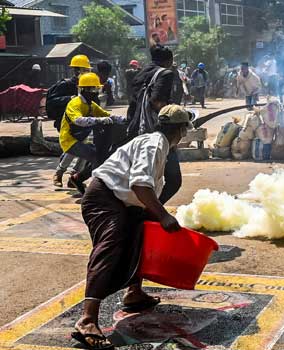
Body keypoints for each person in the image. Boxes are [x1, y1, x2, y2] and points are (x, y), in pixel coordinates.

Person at [72, 105, 190, 350]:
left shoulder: (160, 145)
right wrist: (164, 215)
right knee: (111, 246)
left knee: (141, 236)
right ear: (180, 130)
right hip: (104, 197)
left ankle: (134, 293)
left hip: (122, 200)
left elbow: (143, 189)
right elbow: (140, 185)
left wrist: (153, 215)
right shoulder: (154, 144)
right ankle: (87, 319)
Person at [127, 45, 181, 205]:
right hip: (158, 133)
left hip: (136, 130)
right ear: (169, 60)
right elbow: (157, 102)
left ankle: (143, 210)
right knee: (173, 180)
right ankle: (152, 212)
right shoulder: (165, 74)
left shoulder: (140, 73)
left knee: (142, 177)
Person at [59, 72, 125, 194]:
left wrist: (124, 120)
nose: (95, 92)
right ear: (84, 90)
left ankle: (77, 178)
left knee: (100, 156)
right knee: (95, 157)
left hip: (81, 138)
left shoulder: (90, 105)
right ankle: (95, 187)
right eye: (93, 89)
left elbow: (107, 115)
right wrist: (99, 120)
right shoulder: (75, 103)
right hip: (69, 140)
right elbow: (78, 120)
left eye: (96, 88)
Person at [47, 54, 92, 188]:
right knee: (74, 148)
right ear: (77, 70)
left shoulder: (86, 85)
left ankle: (74, 176)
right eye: (85, 70)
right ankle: (59, 173)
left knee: (86, 150)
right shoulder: (65, 85)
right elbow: (51, 102)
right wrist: (69, 98)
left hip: (83, 123)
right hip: (66, 123)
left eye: (87, 70)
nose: (87, 73)